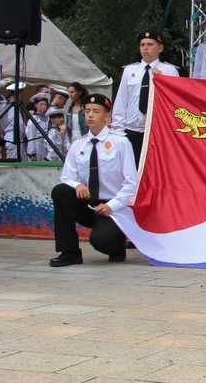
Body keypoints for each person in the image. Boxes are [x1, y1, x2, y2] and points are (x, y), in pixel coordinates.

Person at [49, 93, 139, 267]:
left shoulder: (121, 142)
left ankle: (117, 245)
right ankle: (70, 252)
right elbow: (67, 176)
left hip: (111, 207)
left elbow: (131, 183)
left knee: (102, 241)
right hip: (88, 203)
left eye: (96, 111)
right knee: (60, 191)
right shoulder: (78, 145)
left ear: (106, 116)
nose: (90, 115)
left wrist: (111, 206)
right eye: (87, 111)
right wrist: (78, 185)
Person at [111, 30, 180, 163]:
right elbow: (121, 101)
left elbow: (173, 102)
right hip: (131, 129)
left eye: (150, 44)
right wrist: (119, 131)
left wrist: (160, 79)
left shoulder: (169, 71)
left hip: (156, 130)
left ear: (160, 48)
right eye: (142, 45)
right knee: (131, 169)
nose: (145, 48)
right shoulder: (129, 71)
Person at [24, 92, 50, 161]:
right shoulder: (33, 119)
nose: (43, 106)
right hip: (36, 146)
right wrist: (32, 153)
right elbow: (31, 136)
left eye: (45, 104)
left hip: (44, 146)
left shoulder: (47, 118)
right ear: (36, 105)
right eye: (41, 104)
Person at [62, 82, 88, 147]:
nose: (70, 95)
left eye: (72, 92)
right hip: (72, 141)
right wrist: (65, 126)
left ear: (79, 92)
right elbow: (69, 124)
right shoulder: (70, 109)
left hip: (83, 140)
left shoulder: (85, 108)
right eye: (69, 92)